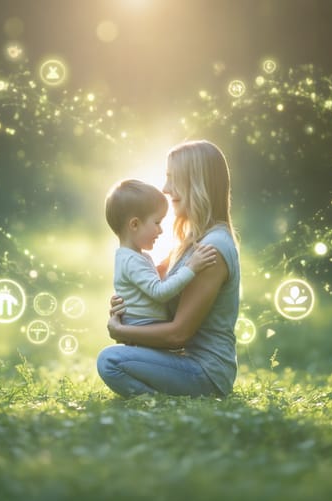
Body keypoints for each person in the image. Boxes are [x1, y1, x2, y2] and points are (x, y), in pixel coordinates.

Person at [97, 140, 241, 398]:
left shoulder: (211, 250)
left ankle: (156, 403)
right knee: (115, 358)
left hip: (205, 372)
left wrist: (121, 331)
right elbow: (154, 285)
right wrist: (128, 305)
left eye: (173, 179)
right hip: (184, 361)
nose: (165, 189)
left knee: (110, 361)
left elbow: (178, 335)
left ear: (196, 182)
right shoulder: (192, 243)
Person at [104, 178, 218, 327]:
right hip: (143, 328)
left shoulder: (135, 257)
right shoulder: (131, 261)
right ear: (134, 224)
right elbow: (160, 292)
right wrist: (191, 267)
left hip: (147, 325)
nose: (161, 230)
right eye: (157, 223)